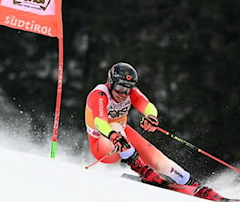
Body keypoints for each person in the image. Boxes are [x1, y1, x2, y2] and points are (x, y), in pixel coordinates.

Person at [84, 62, 222, 200]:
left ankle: (192, 184)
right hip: (103, 147)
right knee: (116, 127)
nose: (123, 94)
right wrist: (113, 136)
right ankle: (142, 170)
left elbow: (148, 106)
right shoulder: (99, 95)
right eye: (119, 88)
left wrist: (151, 117)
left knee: (157, 157)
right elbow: (100, 122)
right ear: (110, 83)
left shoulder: (130, 93)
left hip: (122, 137)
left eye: (127, 90)